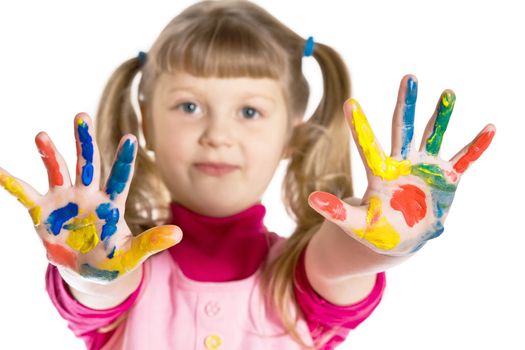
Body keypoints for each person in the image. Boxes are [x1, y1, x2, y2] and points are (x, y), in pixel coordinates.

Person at [0, 1, 495, 349]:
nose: (218, 133)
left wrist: (385, 241)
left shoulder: (302, 277)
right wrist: (86, 265)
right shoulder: (123, 268)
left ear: (292, 132)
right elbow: (101, 287)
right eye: (189, 105)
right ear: (146, 122)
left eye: (250, 112)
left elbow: (339, 262)